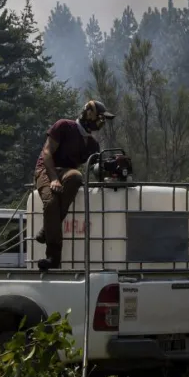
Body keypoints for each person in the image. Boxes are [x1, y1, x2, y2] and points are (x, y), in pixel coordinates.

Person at [33, 100, 115, 270]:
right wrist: (54, 178)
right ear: (88, 115)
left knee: (76, 176)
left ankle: (46, 229)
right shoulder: (63, 126)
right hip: (46, 169)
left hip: (67, 173)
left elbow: (96, 168)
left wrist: (112, 170)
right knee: (51, 202)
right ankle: (53, 257)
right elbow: (47, 152)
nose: (101, 123)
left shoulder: (92, 144)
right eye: (100, 118)